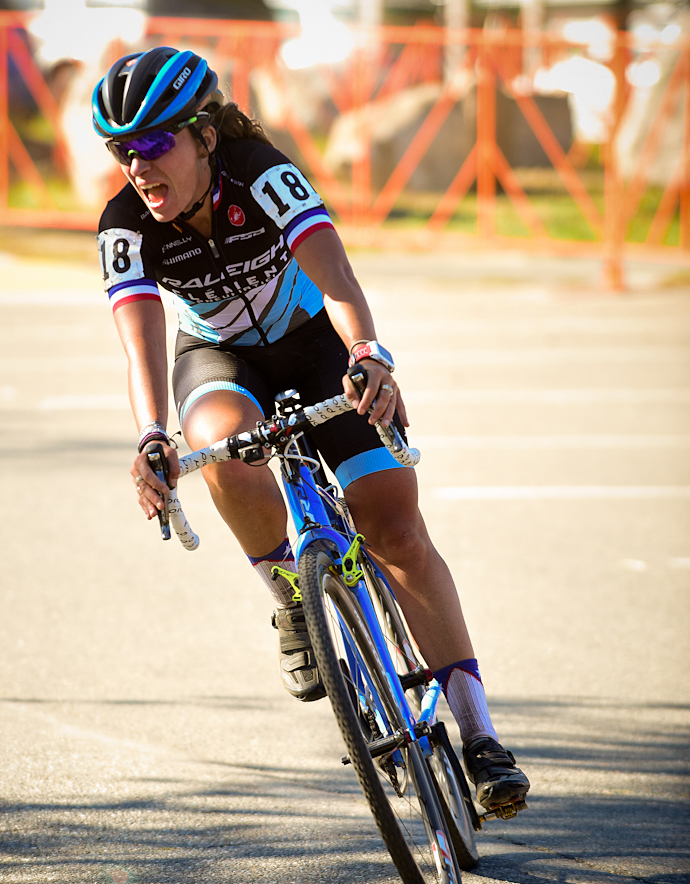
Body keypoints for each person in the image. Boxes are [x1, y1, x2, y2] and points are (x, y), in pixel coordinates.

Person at [92, 46, 529, 811]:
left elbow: (337, 278)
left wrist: (368, 355)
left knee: (395, 528)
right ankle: (293, 595)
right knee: (224, 453)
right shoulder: (124, 225)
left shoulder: (261, 173)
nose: (138, 165)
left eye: (155, 142)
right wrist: (151, 434)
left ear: (204, 136)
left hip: (316, 343)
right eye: (121, 150)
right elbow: (141, 345)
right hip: (218, 356)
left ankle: (480, 735)